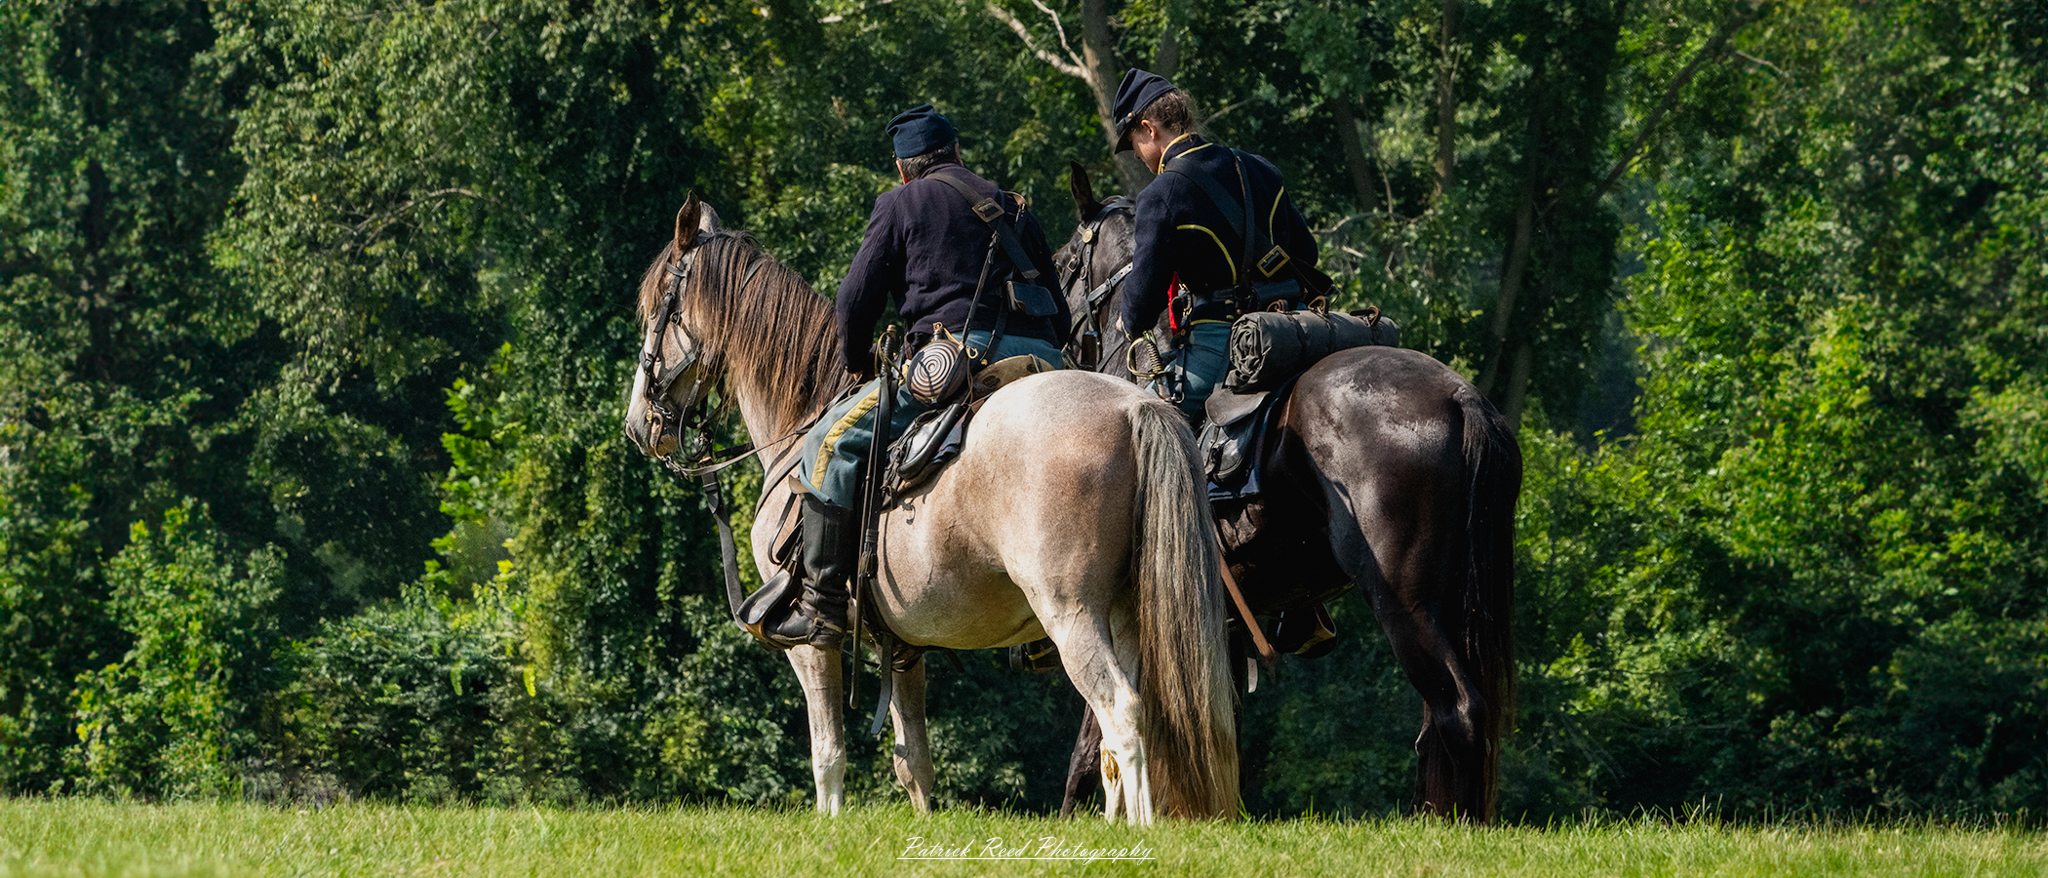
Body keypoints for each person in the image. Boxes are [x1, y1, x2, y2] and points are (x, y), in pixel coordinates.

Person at [770, 104, 1069, 650]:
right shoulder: (1014, 205)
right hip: (1046, 361)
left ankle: (823, 606)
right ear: (957, 152)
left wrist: (857, 359)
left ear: (904, 168)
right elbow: (1064, 314)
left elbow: (853, 300)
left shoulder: (900, 202)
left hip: (959, 359)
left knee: (826, 443)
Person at [1112, 69, 1333, 422]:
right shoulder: (1260, 168)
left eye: (1134, 143)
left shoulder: (1161, 194)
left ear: (1149, 128)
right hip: (1294, 331)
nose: (1138, 156)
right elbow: (1307, 253)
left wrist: (1130, 321)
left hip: (1224, 342)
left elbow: (1142, 301)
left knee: (1134, 421)